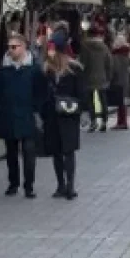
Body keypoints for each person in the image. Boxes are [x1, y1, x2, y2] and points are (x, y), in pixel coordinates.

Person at [0, 33, 46, 198]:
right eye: (9, 47)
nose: (11, 50)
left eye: (14, 46)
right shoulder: (2, 70)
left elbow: (42, 91)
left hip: (27, 115)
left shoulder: (34, 69)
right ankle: (13, 183)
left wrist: (38, 110)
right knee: (11, 152)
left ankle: (29, 185)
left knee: (29, 151)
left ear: (23, 47)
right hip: (8, 115)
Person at [41, 33, 87, 199]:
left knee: (68, 151)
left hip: (69, 115)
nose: (50, 53)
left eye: (52, 49)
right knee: (56, 151)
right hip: (52, 116)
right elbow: (41, 93)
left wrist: (82, 111)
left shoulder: (74, 69)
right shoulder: (46, 70)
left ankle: (70, 185)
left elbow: (82, 92)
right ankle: (61, 184)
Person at [79, 29, 113, 132]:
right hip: (102, 77)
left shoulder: (85, 47)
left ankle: (93, 122)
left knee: (90, 101)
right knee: (103, 100)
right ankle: (104, 122)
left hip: (88, 77)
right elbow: (109, 63)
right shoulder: (104, 47)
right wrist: (108, 77)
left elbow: (82, 63)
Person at [109, 35, 130, 130]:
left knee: (120, 103)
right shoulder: (126, 53)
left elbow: (114, 69)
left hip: (118, 80)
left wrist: (110, 78)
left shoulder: (116, 55)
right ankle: (122, 122)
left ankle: (121, 122)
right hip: (124, 79)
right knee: (122, 102)